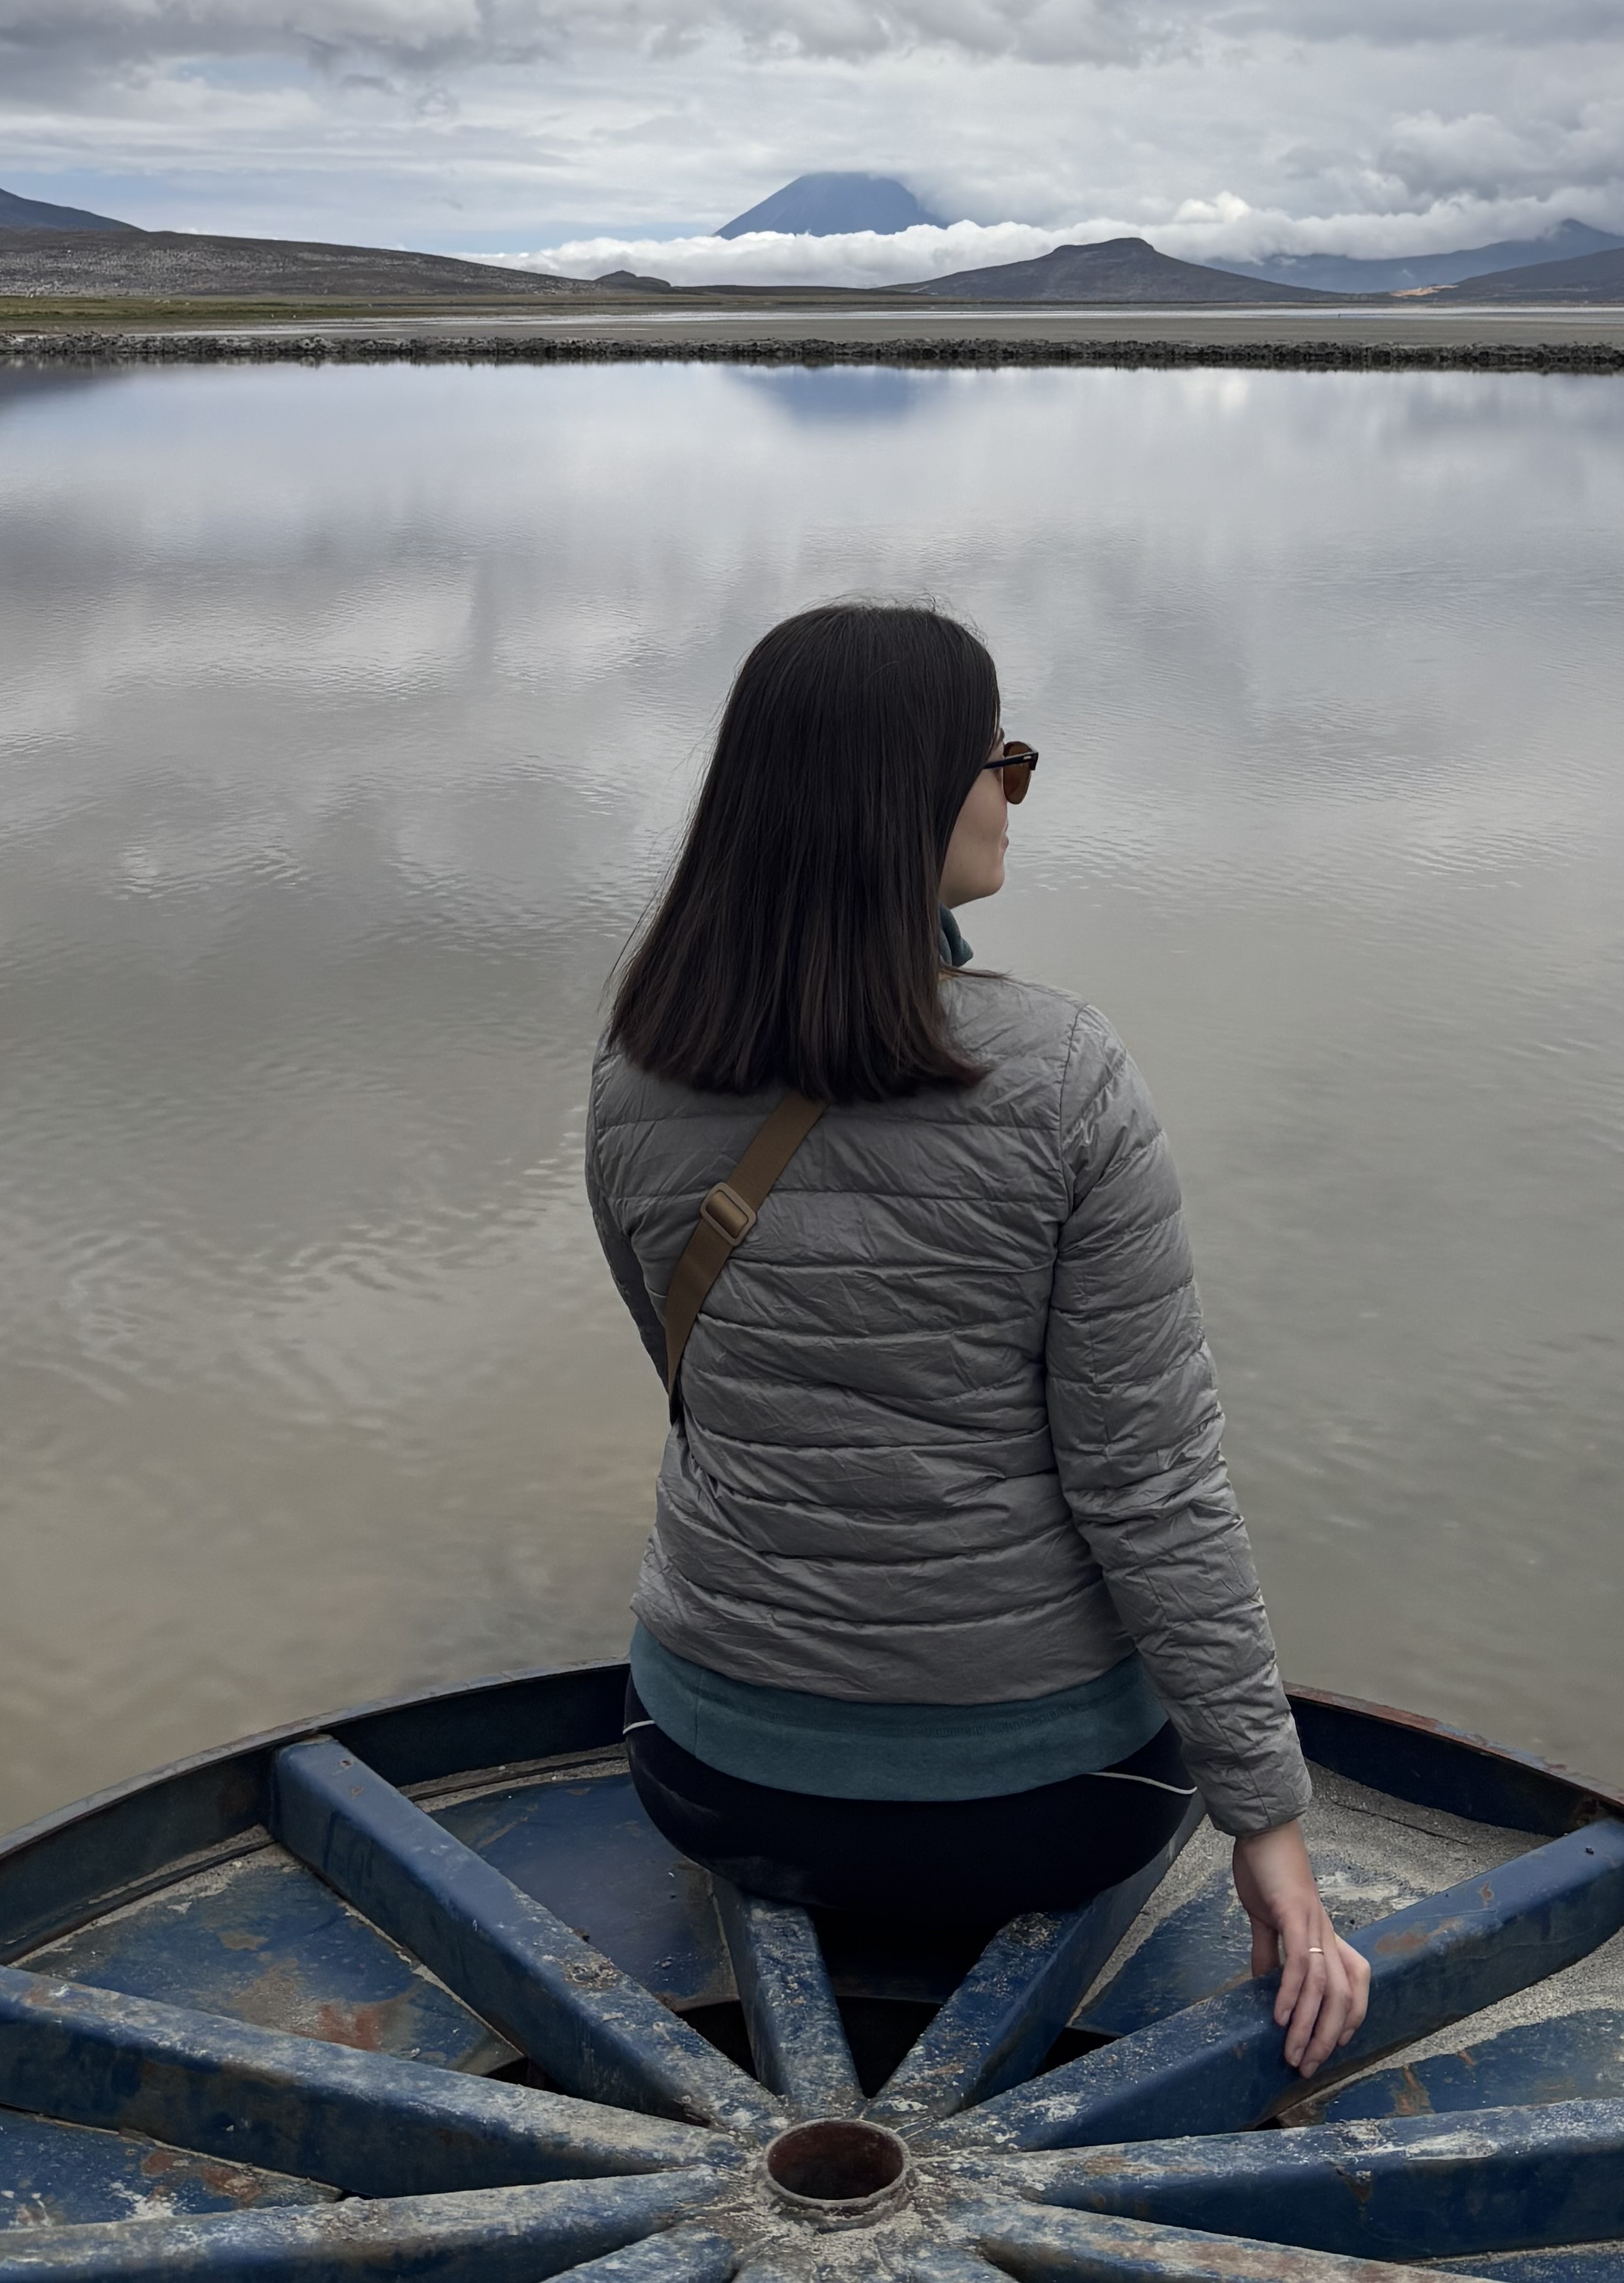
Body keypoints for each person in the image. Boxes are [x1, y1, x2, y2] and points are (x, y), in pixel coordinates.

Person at [585, 598, 1373, 2077]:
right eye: (999, 760)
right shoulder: (1065, 1075)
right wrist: (1268, 1825)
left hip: (708, 1778)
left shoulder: (633, 1074)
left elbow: (692, 1391)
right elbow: (1150, 1487)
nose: (1014, 792)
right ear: (906, 796)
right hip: (1044, 1813)